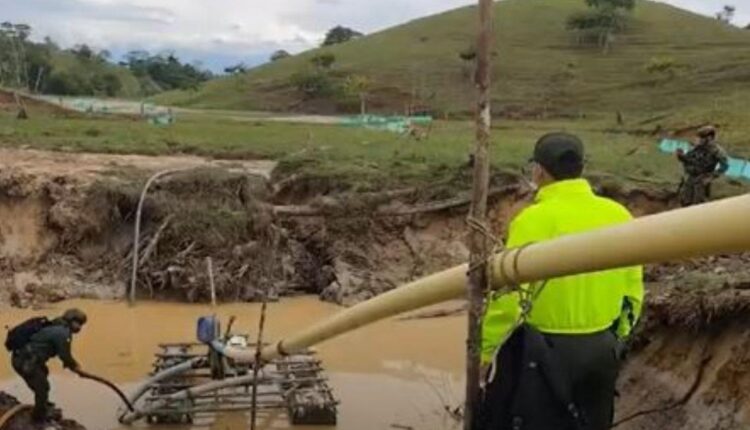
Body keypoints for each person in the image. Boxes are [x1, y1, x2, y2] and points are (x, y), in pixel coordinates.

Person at [479, 133, 644, 430]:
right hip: (601, 348)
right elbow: (633, 289)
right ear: (581, 168)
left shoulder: (534, 220)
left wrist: (487, 351)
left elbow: (509, 295)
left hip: (543, 353)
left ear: (539, 171)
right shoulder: (618, 214)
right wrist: (615, 337)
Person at [10, 309, 87, 426]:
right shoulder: (63, 333)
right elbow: (65, 355)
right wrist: (76, 367)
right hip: (25, 362)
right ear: (71, 321)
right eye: (79, 323)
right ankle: (38, 418)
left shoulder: (56, 324)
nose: (79, 327)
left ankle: (43, 405)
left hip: (23, 358)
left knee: (43, 374)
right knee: (43, 388)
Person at [676, 125, 729, 206]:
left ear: (710, 138)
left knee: (699, 204)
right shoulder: (697, 148)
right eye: (699, 138)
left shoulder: (717, 150)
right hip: (690, 179)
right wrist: (681, 156)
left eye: (702, 138)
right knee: (685, 202)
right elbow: (689, 159)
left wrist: (711, 177)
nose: (699, 140)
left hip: (702, 181)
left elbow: (724, 166)